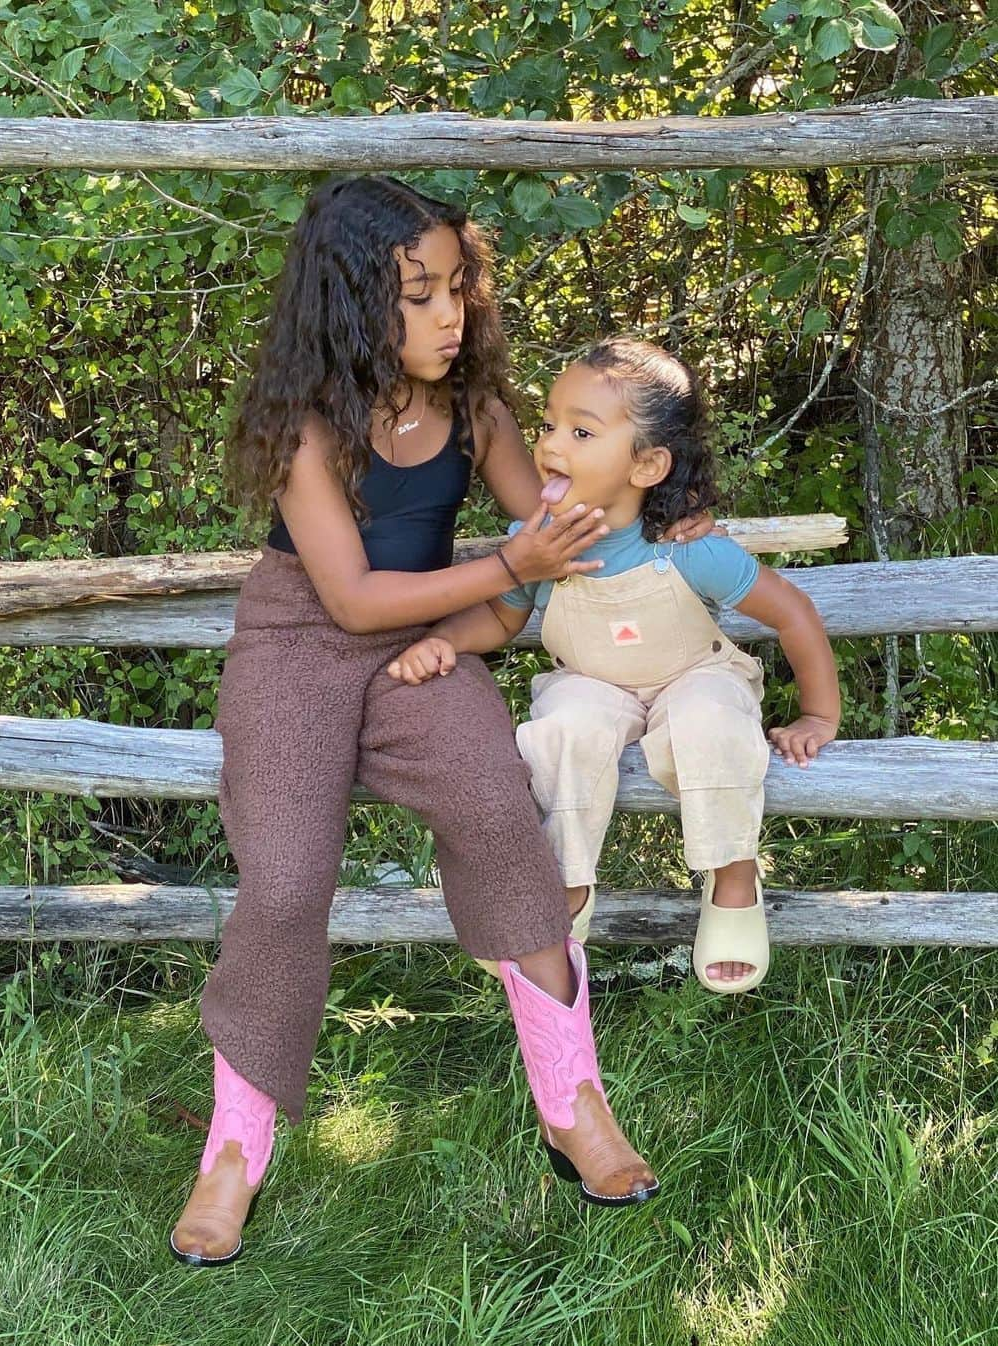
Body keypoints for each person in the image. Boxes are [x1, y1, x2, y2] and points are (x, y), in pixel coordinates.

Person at [169, 182, 715, 1267]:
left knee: (498, 807)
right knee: (283, 882)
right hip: (302, 642)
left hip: (430, 643)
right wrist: (511, 567)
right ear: (349, 302)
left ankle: (573, 1100)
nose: (448, 314)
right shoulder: (307, 426)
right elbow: (355, 600)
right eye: (417, 296)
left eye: (457, 287)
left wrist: (663, 511)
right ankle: (236, 1142)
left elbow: (557, 517)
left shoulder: (477, 411)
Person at [387, 335, 841, 997]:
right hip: (594, 682)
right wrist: (448, 641)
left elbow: (793, 613)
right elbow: (503, 618)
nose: (550, 445)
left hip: (693, 674)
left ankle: (734, 879)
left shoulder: (686, 546)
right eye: (548, 425)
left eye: (580, 430)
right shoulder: (537, 541)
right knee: (563, 728)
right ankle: (563, 890)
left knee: (712, 722)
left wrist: (818, 713)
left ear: (648, 465)